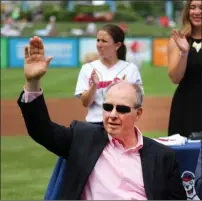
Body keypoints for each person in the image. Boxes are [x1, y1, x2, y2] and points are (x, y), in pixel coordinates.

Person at [17, 36, 186, 200]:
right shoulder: (82, 138)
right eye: (107, 107)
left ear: (138, 113)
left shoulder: (163, 156)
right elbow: (41, 130)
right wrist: (33, 83)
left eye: (121, 109)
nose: (112, 114)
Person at [75, 24, 142, 125]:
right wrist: (94, 86)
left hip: (120, 124)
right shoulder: (87, 68)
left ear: (117, 45)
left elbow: (137, 101)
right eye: (98, 40)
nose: (99, 44)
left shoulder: (130, 69)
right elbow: (85, 103)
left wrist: (124, 90)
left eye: (104, 41)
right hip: (94, 125)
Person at [167, 0, 201, 137]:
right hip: (186, 106)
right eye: (193, 7)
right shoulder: (179, 40)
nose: (197, 12)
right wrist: (184, 53)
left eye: (201, 8)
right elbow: (175, 78)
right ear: (187, 11)